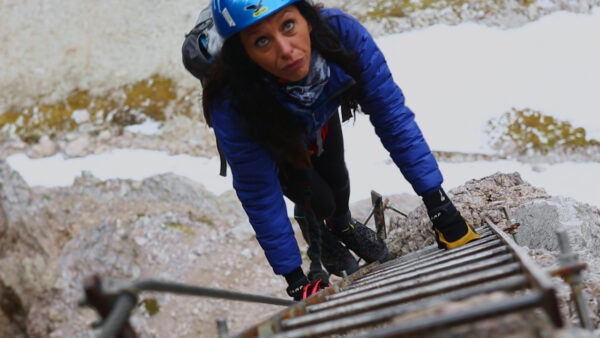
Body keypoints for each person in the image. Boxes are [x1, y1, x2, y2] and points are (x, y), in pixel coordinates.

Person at [202, 0, 480, 301]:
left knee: (338, 184)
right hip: (275, 138)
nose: (285, 49)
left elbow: (392, 118)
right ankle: (319, 231)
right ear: (245, 55)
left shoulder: (341, 36)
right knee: (319, 201)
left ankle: (342, 225)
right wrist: (295, 278)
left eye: (288, 25)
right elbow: (259, 190)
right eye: (262, 41)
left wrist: (439, 206)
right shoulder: (232, 102)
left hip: (319, 117)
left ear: (307, 19)